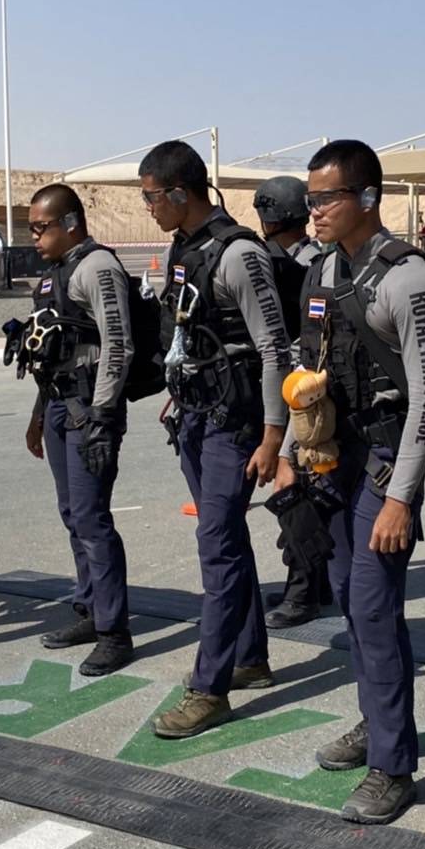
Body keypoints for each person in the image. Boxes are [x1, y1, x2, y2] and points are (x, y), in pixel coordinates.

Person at [276, 139, 425, 824]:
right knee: (350, 601)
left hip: (382, 465)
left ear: (368, 199)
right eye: (310, 197)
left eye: (326, 198)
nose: (311, 209)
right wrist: (292, 444)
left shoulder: (408, 281)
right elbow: (305, 366)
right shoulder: (320, 270)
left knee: (375, 610)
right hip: (332, 465)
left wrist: (402, 496)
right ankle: (376, 721)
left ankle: (393, 765)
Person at [141, 141, 291, 737]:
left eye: (153, 197)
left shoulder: (238, 256)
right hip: (196, 416)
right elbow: (189, 332)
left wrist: (273, 436)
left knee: (218, 549)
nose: (149, 207)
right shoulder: (184, 247)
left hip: (235, 424)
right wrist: (177, 394)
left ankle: (212, 687)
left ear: (181, 193)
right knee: (225, 541)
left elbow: (275, 349)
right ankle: (250, 658)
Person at [21, 184, 137, 675]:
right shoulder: (53, 276)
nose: (34, 238)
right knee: (73, 514)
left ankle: (114, 631)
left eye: (41, 227)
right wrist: (37, 413)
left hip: (90, 409)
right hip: (58, 406)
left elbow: (119, 345)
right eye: (30, 229)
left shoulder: (98, 269)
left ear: (71, 223)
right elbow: (46, 352)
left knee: (92, 518)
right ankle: (89, 609)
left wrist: (103, 415)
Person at [253, 174, 333, 630]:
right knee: (308, 488)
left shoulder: (296, 264)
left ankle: (303, 591)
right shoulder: (312, 259)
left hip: (299, 387)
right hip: (300, 382)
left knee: (298, 490)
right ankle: (313, 583)